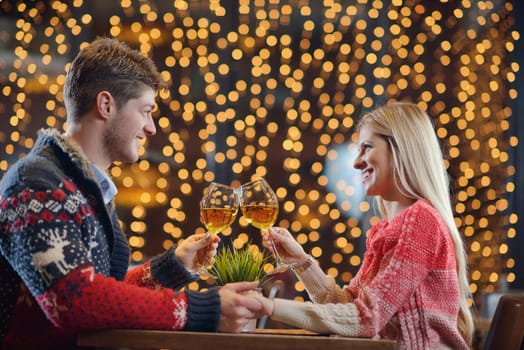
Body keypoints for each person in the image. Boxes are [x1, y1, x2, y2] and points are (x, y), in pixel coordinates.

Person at [0, 37, 261, 350]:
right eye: (146, 111)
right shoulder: (35, 184)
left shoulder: (84, 186)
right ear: (106, 105)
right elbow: (74, 300)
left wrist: (170, 268)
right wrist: (202, 309)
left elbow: (101, 291)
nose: (150, 127)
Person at [253, 102, 474, 349]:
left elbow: (367, 318)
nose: (357, 163)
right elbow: (348, 307)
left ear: (402, 149)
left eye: (366, 148)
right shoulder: (389, 228)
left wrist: (268, 306)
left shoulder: (421, 221)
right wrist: (302, 263)